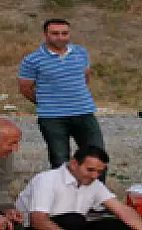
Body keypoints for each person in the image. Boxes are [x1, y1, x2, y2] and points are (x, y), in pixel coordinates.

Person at [18, 19, 104, 168]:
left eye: (64, 33)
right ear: (45, 35)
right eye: (55, 33)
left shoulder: (81, 53)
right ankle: (63, 191)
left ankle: (93, 190)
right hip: (52, 117)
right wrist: (46, 102)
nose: (60, 37)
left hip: (84, 112)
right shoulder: (32, 60)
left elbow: (85, 77)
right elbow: (25, 88)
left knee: (96, 155)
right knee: (60, 160)